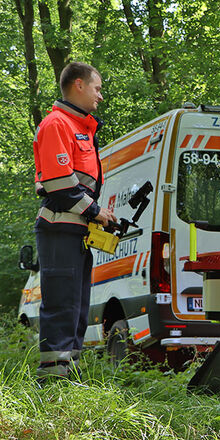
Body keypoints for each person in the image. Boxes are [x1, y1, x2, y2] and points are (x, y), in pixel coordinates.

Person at [32, 62, 116, 379]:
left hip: (76, 230)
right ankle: (53, 381)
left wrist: (98, 216)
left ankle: (68, 375)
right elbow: (58, 183)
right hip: (58, 228)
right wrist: (95, 211)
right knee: (62, 304)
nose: (101, 96)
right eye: (98, 88)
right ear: (78, 85)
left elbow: (76, 185)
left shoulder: (81, 128)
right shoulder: (57, 124)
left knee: (78, 307)